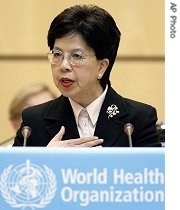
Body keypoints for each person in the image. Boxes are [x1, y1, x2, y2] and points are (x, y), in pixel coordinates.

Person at [12, 4, 161, 147]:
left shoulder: (138, 120)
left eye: (76, 56)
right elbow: (13, 172)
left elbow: (151, 172)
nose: (63, 66)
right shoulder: (34, 121)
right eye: (57, 54)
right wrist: (48, 158)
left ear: (102, 66)